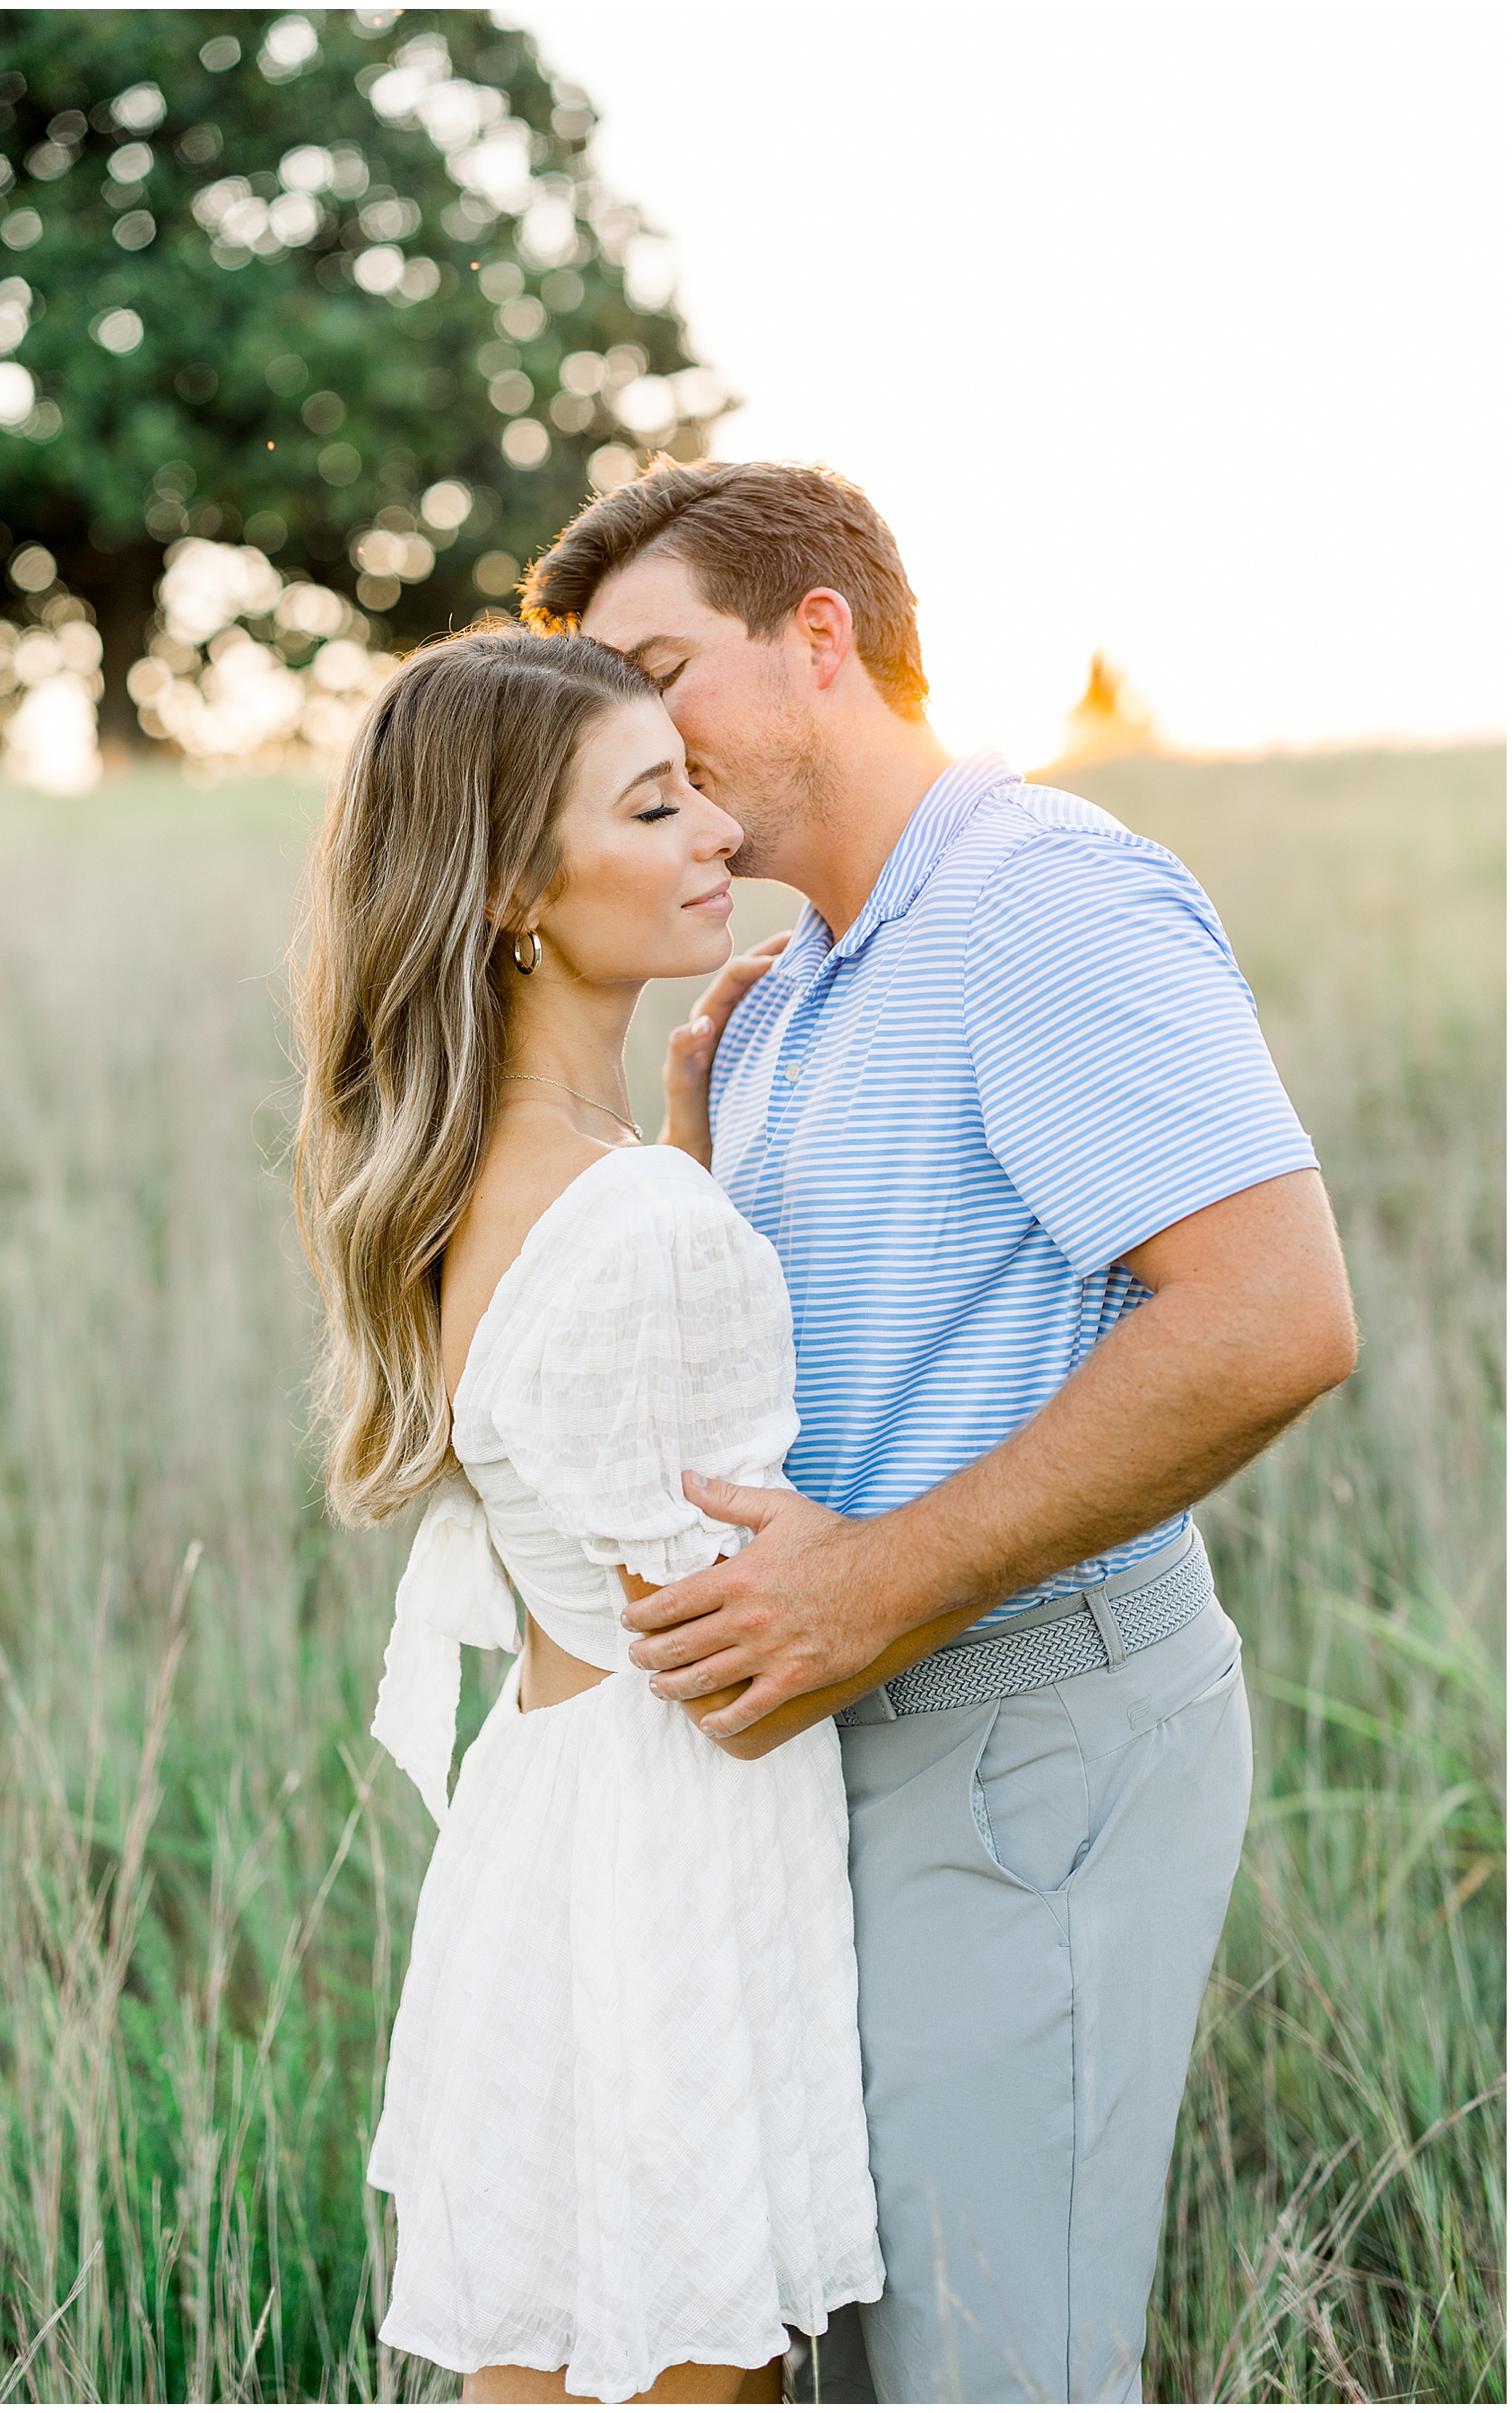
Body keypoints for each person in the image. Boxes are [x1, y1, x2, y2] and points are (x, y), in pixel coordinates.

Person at [522, 459, 1359, 2404]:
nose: (636, 737)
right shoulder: (804, 972)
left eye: (662, 667)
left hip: (1025, 1748)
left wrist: (877, 1580)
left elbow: (1274, 1311)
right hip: (854, 1745)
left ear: (824, 637)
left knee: (999, 2370)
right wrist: (696, 1170)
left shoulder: (1032, 903)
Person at [292, 625, 883, 2406]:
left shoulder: (484, 1184)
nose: (714, 833)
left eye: (696, 787)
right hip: (672, 1849)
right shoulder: (639, 1221)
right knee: (690, 2356)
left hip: (544, 1819)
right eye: (652, 804)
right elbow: (732, 1633)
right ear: (512, 895)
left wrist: (684, 1152)